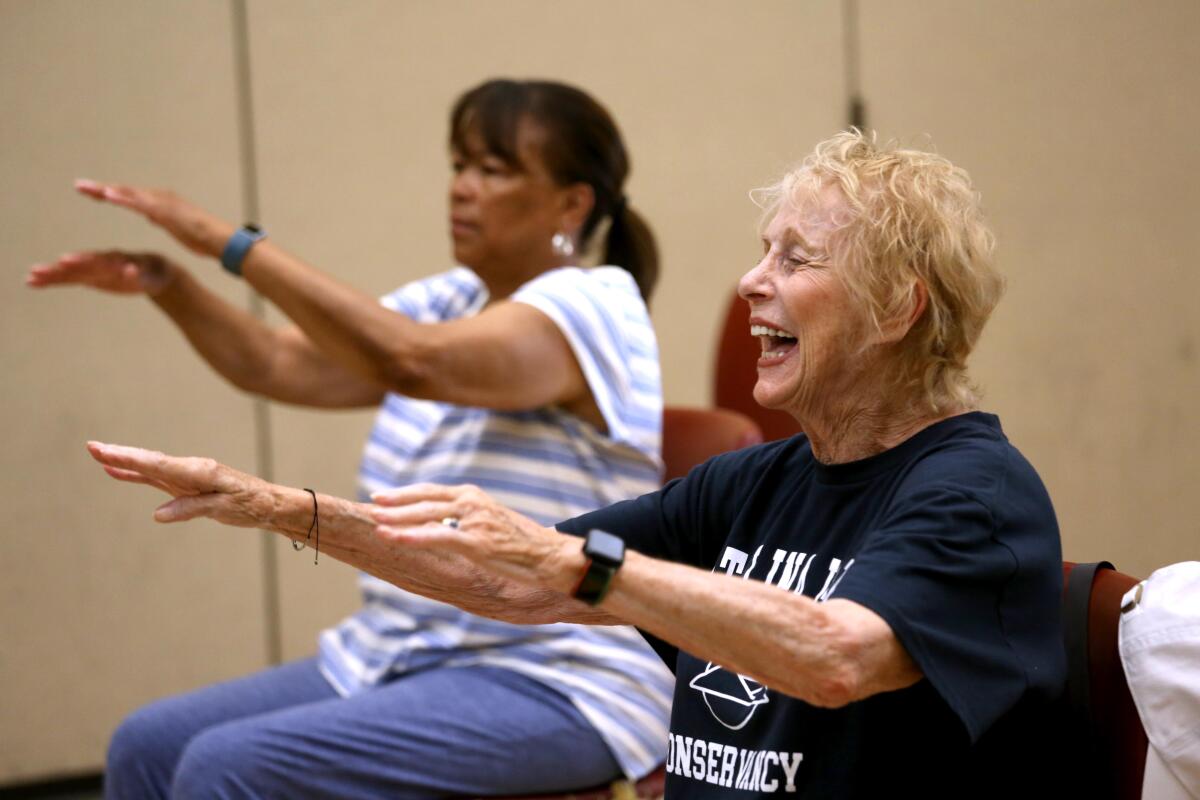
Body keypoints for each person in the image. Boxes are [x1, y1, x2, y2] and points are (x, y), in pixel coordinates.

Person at [88, 130, 1067, 798]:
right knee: (152, 743)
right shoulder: (756, 481)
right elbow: (501, 582)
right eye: (761, 250)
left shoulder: (974, 493)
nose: (751, 280)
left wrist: (593, 569)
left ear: (900, 309)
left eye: (796, 259)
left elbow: (836, 652)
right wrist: (282, 507)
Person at [34, 79, 674, 798]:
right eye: (458, 165)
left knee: (227, 767)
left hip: (556, 676)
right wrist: (169, 284)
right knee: (147, 745)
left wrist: (227, 242)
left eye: (492, 170)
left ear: (572, 203)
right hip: (394, 652)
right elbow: (276, 362)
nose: (461, 188)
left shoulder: (595, 303)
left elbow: (413, 360)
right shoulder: (450, 300)